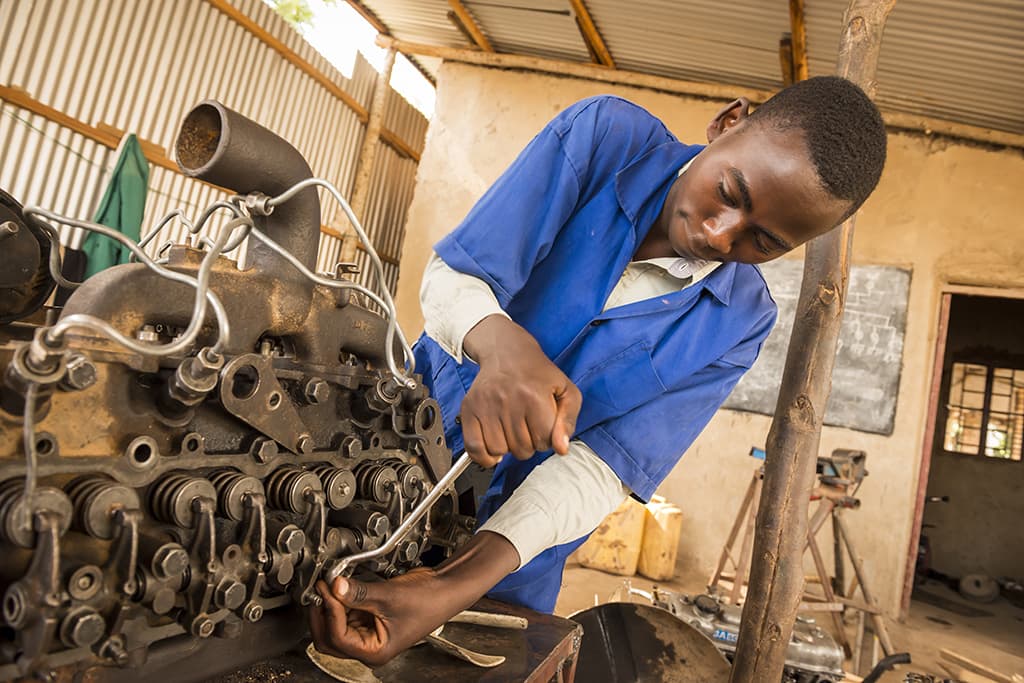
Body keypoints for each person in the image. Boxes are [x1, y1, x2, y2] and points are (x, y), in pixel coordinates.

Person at [308, 76, 888, 665]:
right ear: (728, 123)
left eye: (761, 241)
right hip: (380, 461)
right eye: (729, 191)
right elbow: (455, 276)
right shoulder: (606, 138)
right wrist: (503, 349)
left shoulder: (740, 321)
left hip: (504, 566)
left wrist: (449, 587)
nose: (718, 234)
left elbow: (603, 469)